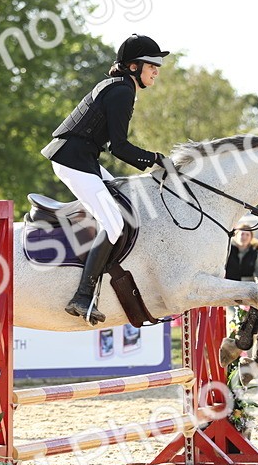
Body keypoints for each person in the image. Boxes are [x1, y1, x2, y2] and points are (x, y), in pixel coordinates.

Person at [41, 34, 170, 324]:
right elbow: (120, 147)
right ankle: (82, 296)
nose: (156, 72)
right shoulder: (122, 91)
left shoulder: (121, 86)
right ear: (134, 66)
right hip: (72, 161)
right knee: (115, 223)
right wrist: (156, 160)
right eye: (152, 66)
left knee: (126, 202)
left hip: (83, 158)